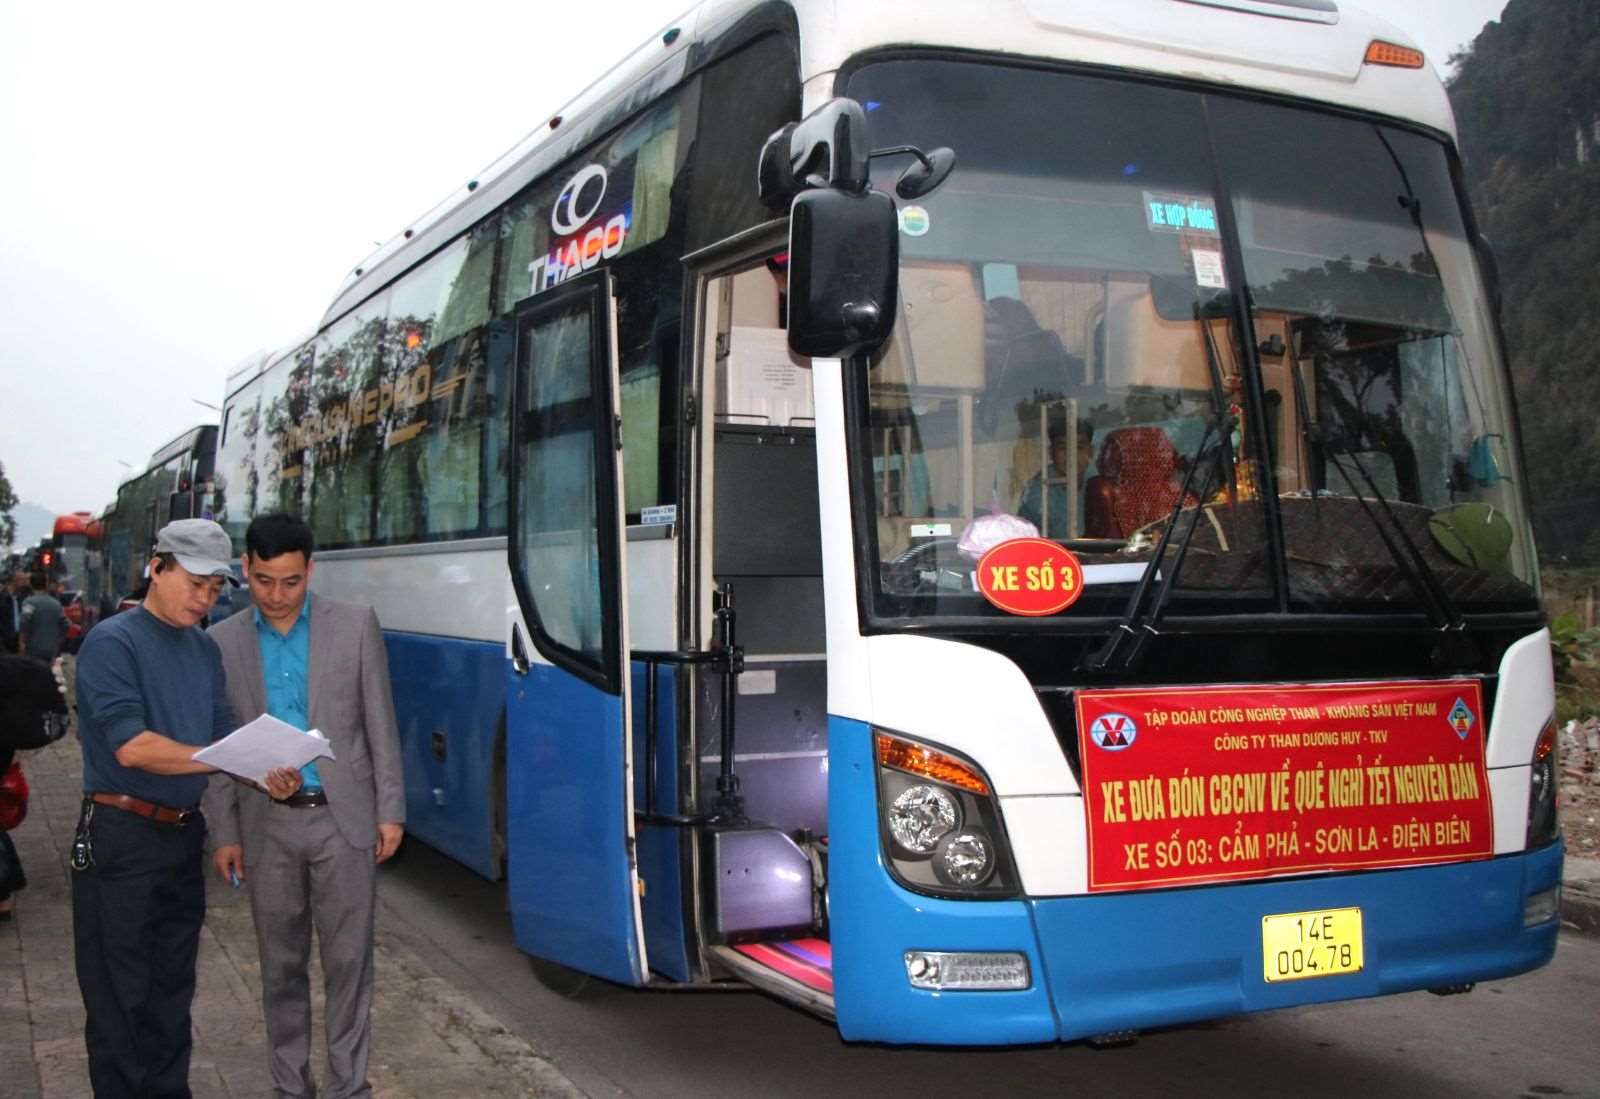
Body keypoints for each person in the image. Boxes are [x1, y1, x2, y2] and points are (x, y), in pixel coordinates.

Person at [72, 518, 300, 1098]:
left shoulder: (202, 647)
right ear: (158, 567)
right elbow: (134, 745)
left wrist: (265, 770)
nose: (204, 599)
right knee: (120, 998)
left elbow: (226, 738)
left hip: (180, 840)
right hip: (121, 837)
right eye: (194, 583)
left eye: (215, 588)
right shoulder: (113, 641)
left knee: (172, 993)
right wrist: (221, 757)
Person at [203, 513, 405, 1099]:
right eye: (264, 580)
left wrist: (390, 810)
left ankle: (349, 1087)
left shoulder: (355, 627)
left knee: (349, 966)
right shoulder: (222, 643)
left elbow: (379, 724)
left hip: (343, 823)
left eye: (290, 582)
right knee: (281, 969)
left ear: (310, 571)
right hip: (267, 827)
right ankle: (290, 1087)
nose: (277, 595)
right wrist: (224, 833)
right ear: (245, 569)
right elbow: (218, 748)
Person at [1019, 419, 1095, 539]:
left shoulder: (1098, 482)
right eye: (1063, 448)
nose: (1072, 454)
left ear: (1091, 452)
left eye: (1079, 447)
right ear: (1051, 453)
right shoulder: (1038, 493)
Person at [20, 570, 67, 661]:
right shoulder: (56, 604)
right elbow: (66, 624)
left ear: (31, 584)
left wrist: (22, 642)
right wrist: (58, 639)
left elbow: (24, 622)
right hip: (51, 649)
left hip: (33, 648)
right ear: (46, 585)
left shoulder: (29, 602)